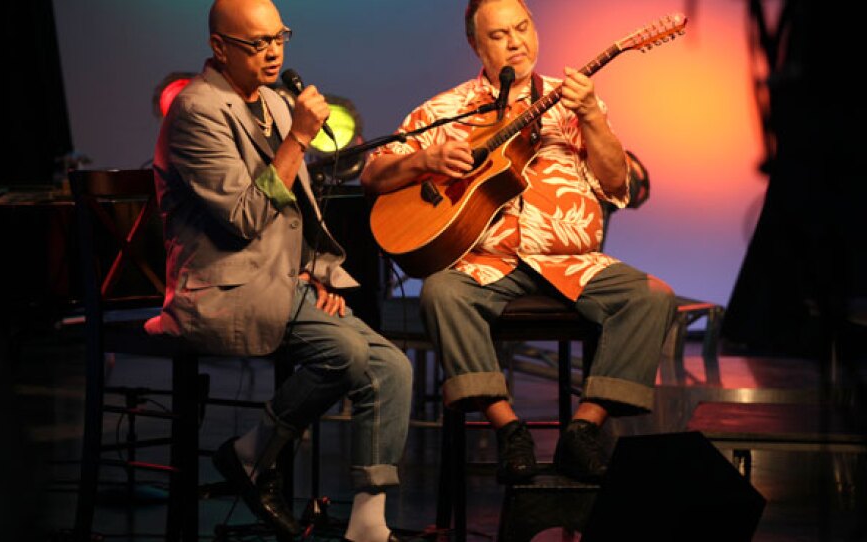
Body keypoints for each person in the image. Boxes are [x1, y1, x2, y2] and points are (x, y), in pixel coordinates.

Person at [360, 0, 676, 485]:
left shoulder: (571, 103)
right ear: (475, 44)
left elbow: (616, 186)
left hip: (574, 264)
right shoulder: (444, 110)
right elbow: (374, 173)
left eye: (522, 27)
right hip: (486, 264)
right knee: (442, 293)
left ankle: (583, 431)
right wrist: (426, 159)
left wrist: (591, 114)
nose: (515, 41)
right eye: (499, 34)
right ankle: (509, 429)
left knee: (652, 297)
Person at [146, 1, 412, 540]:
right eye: (256, 43)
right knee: (346, 351)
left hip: (284, 283)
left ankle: (367, 522)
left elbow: (303, 213)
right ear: (220, 47)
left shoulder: (274, 101)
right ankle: (251, 453)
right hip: (223, 289)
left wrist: (320, 273)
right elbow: (244, 217)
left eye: (279, 38)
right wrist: (297, 140)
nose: (273, 52)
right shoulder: (198, 110)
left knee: (393, 368)